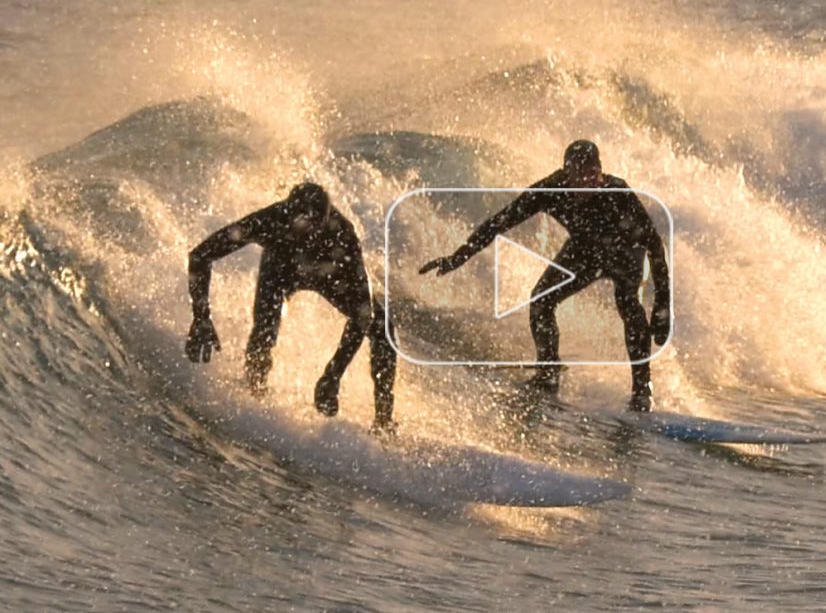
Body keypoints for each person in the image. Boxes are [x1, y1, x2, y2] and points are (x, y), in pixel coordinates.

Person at [420, 140, 670, 412]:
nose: (587, 181)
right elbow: (500, 221)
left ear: (600, 172)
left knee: (628, 302)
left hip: (626, 252)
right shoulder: (550, 190)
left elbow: (654, 244)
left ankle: (642, 391)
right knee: (541, 301)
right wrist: (458, 256)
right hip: (584, 252)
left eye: (593, 174)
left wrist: (663, 304)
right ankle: (548, 373)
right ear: (567, 173)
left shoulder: (617, 192)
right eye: (580, 174)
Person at [184, 182, 396, 431]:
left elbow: (364, 313)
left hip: (328, 275)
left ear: (326, 221)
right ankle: (255, 399)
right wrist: (201, 317)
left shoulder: (342, 235)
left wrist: (334, 373)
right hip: (281, 272)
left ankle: (383, 424)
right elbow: (200, 255)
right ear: (288, 214)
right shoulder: (270, 221)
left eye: (316, 229)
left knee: (384, 329)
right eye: (301, 228)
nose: (309, 237)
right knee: (265, 331)